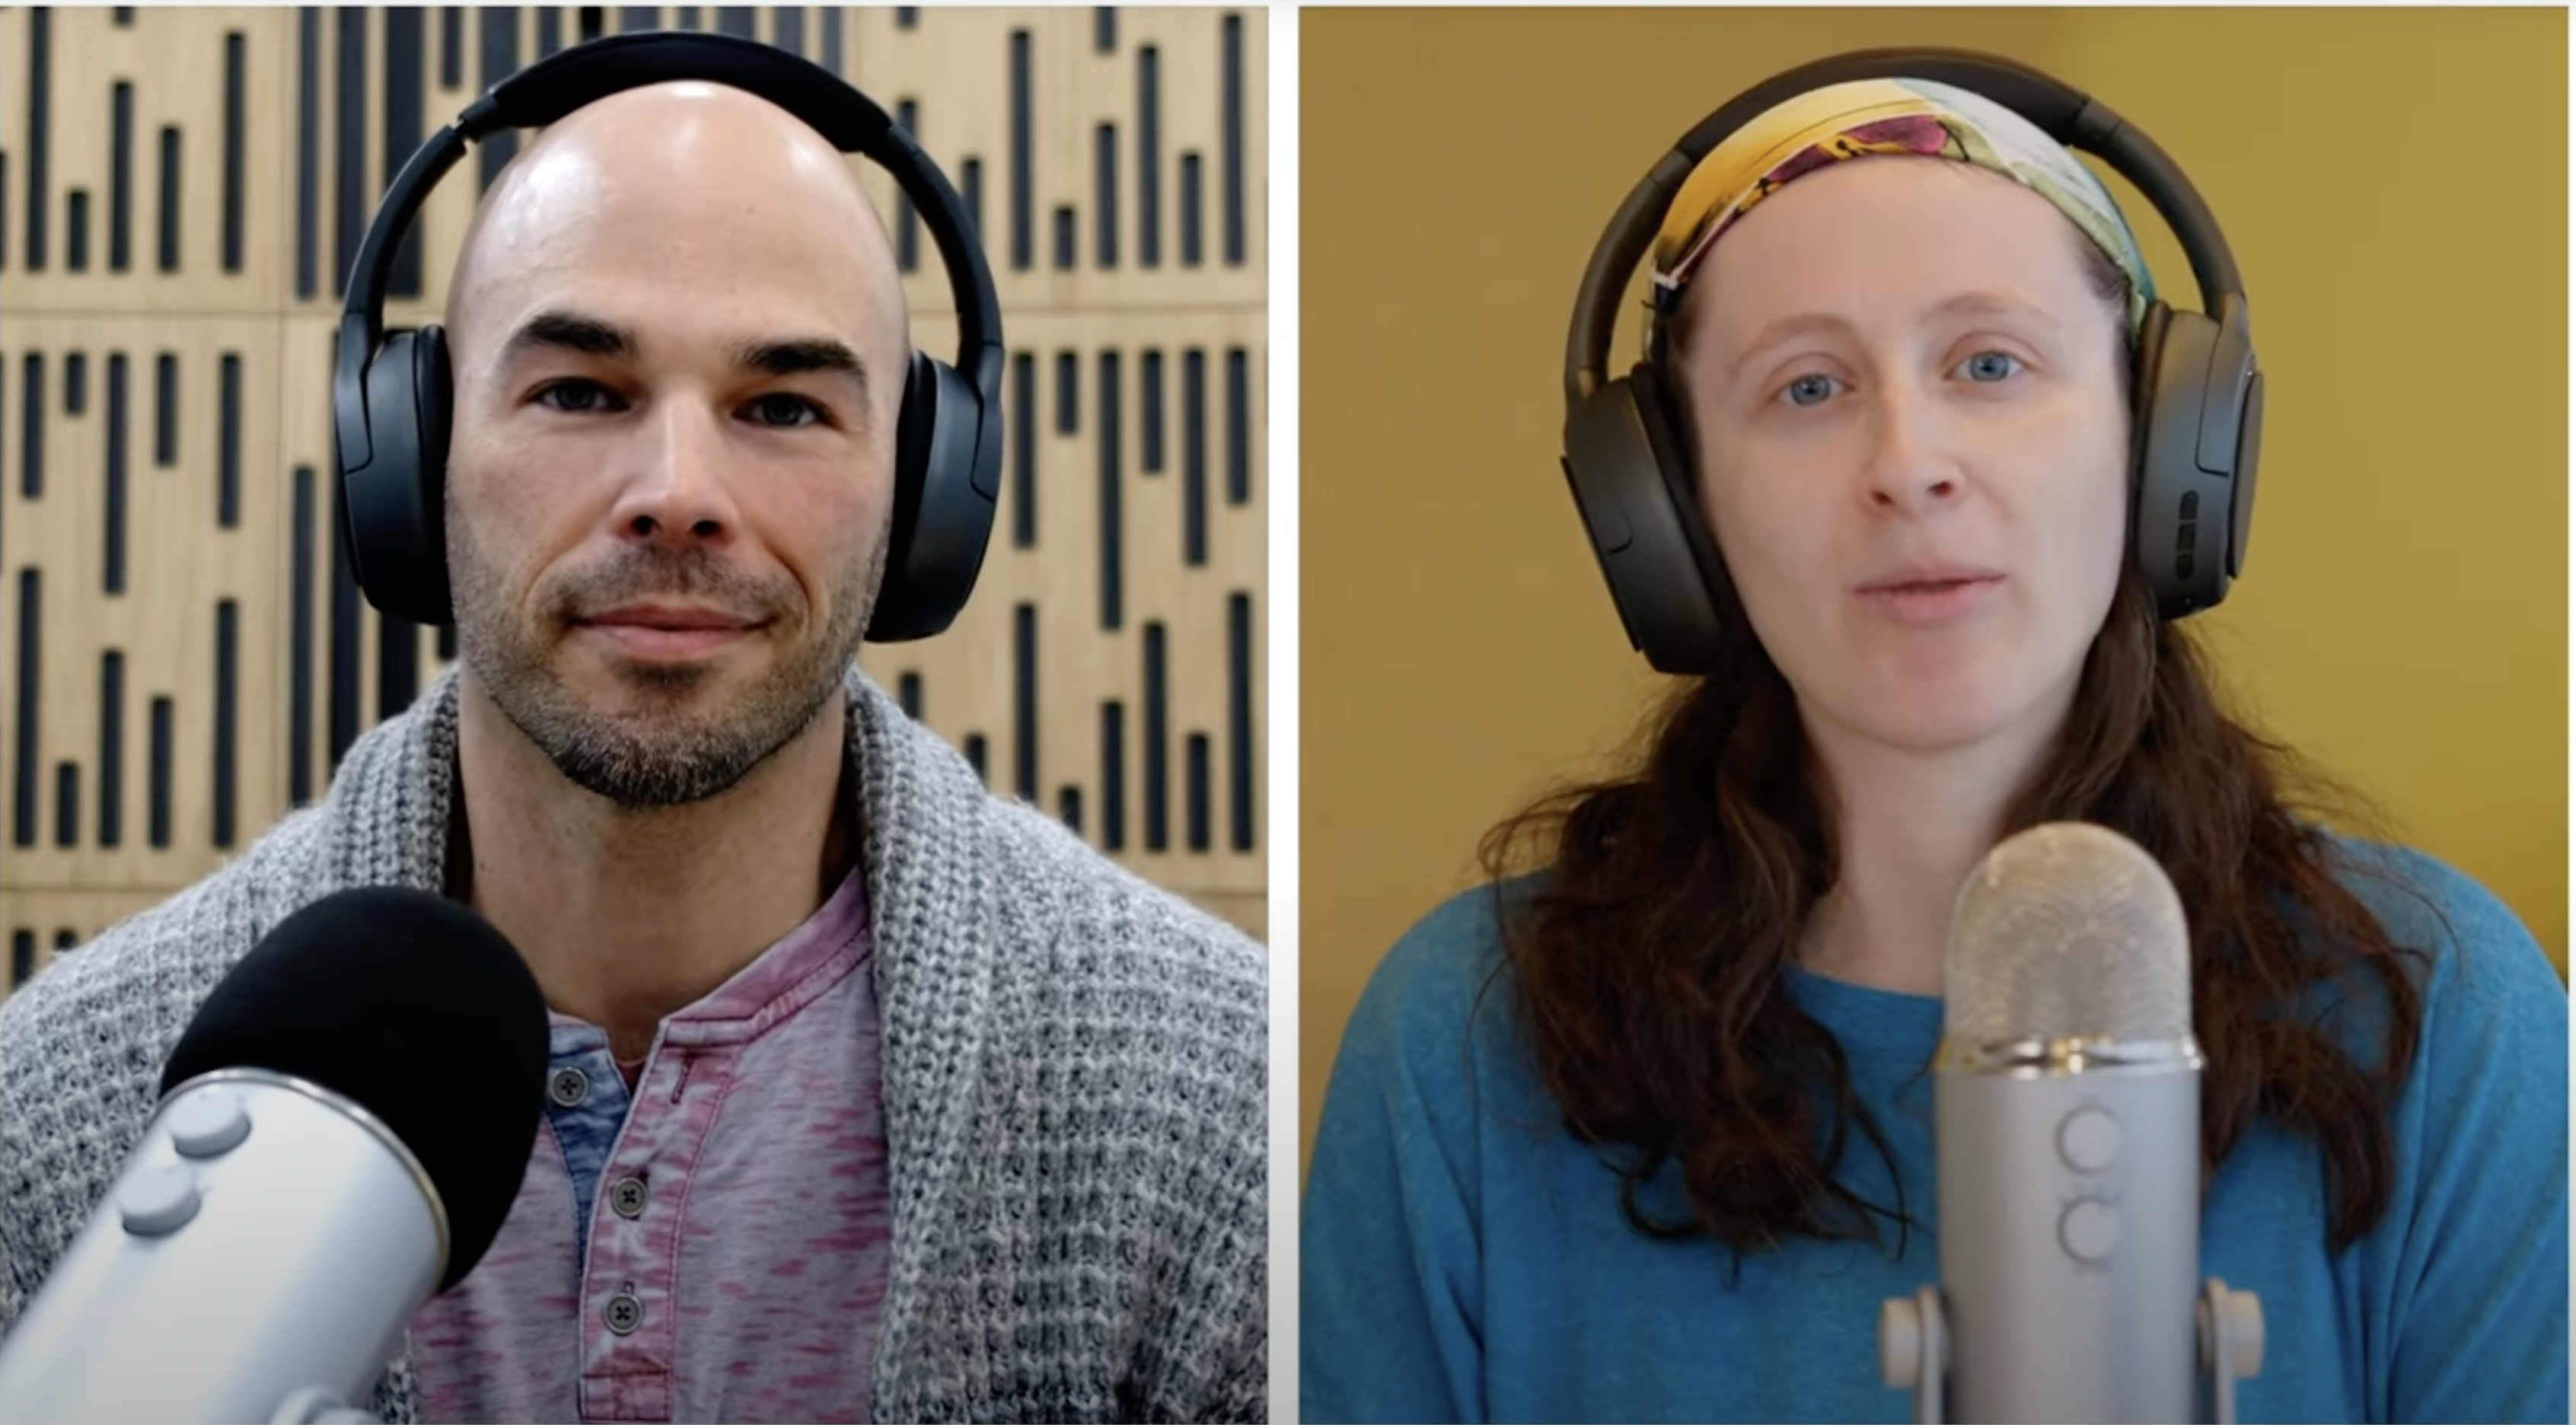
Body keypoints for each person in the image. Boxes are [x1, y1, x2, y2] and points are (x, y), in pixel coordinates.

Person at [1300, 62, 2567, 1424]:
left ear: (2160, 444)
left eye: (1990, 362)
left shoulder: (2442, 1013)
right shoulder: (1462, 1042)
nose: (1909, 462)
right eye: (1805, 387)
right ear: (1673, 511)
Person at [0, 66, 1268, 1425]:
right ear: (408, 453)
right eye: (581, 392)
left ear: (920, 501)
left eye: (783, 407)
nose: (678, 496)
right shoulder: (62, 1115)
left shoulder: (1209, 1107)